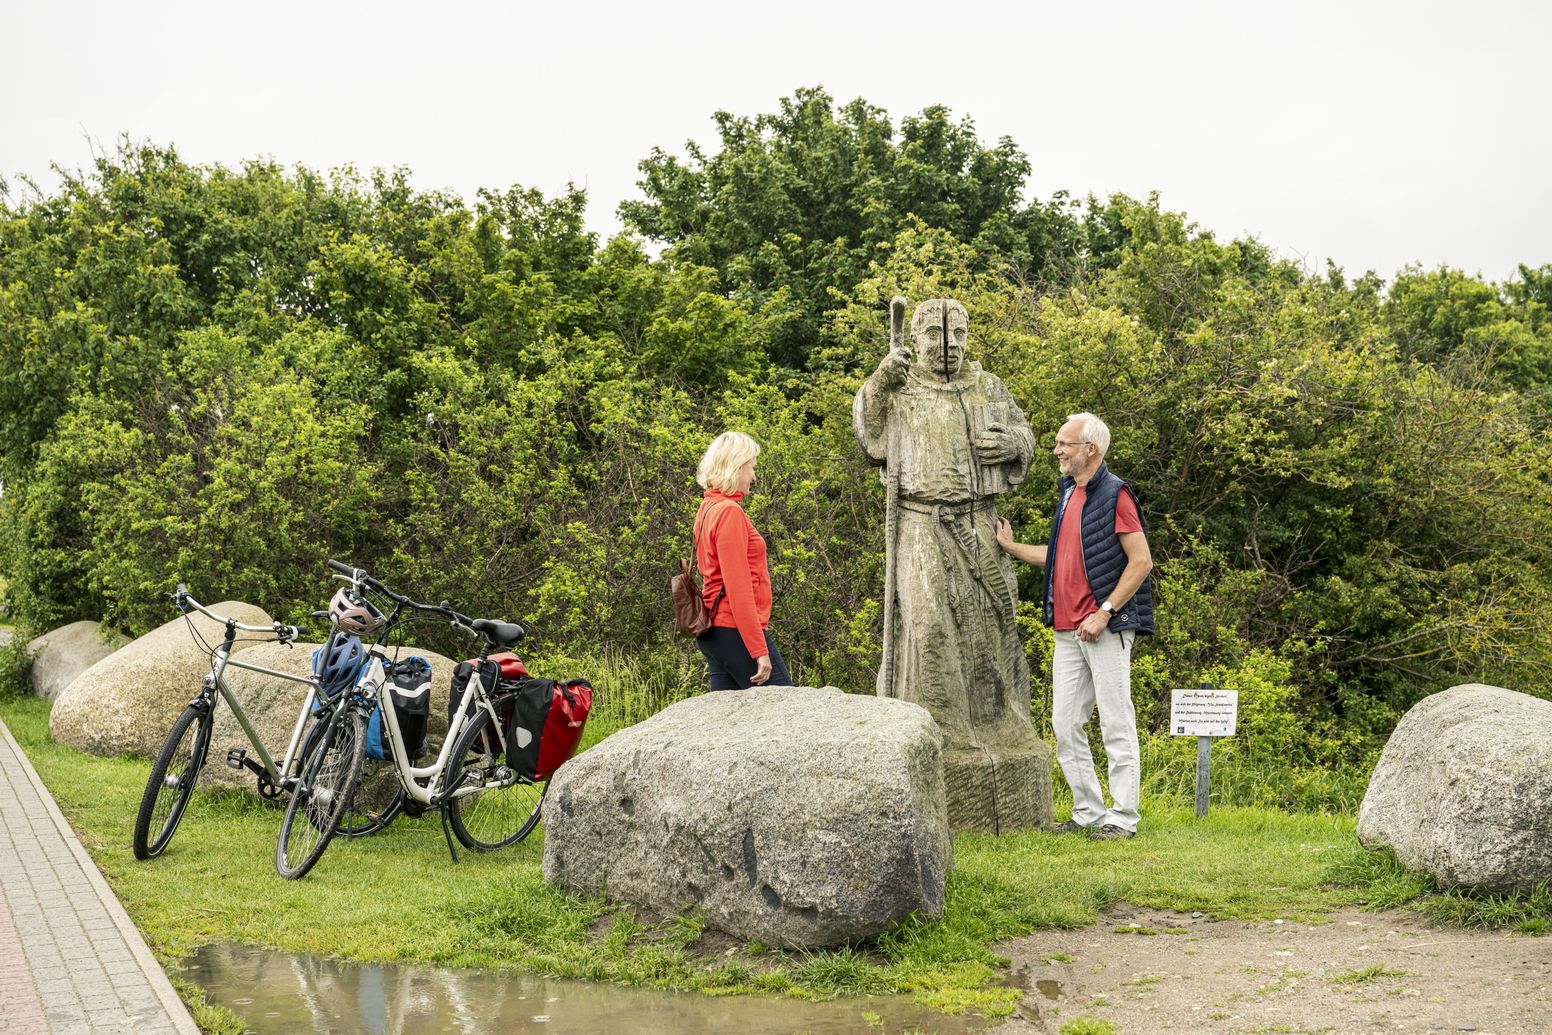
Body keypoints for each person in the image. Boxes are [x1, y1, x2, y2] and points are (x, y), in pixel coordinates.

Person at [853, 299, 1046, 833]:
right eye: (937, 337)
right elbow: (870, 435)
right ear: (918, 339)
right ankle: (938, 735)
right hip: (920, 525)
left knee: (986, 632)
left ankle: (998, 732)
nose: (949, 345)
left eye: (957, 334)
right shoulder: (900, 385)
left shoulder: (989, 387)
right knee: (929, 629)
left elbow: (1026, 441)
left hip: (979, 524)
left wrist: (1013, 445)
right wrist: (877, 383)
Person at [996, 412, 1155, 840]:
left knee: (1116, 723)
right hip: (1066, 630)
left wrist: (1104, 611)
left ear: (1090, 449)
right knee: (1065, 723)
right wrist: (1010, 547)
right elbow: (1058, 555)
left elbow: (1141, 562)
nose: (1057, 451)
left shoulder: (1116, 495)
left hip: (1105, 627)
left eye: (1064, 443)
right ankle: (1087, 811)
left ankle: (1123, 818)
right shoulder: (1069, 494)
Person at [692, 431, 792, 691]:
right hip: (734, 630)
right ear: (736, 467)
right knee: (786, 708)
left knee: (725, 722)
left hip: (714, 633)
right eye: (751, 468)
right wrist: (758, 649)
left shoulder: (708, 508)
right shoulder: (728, 513)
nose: (754, 477)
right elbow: (738, 589)